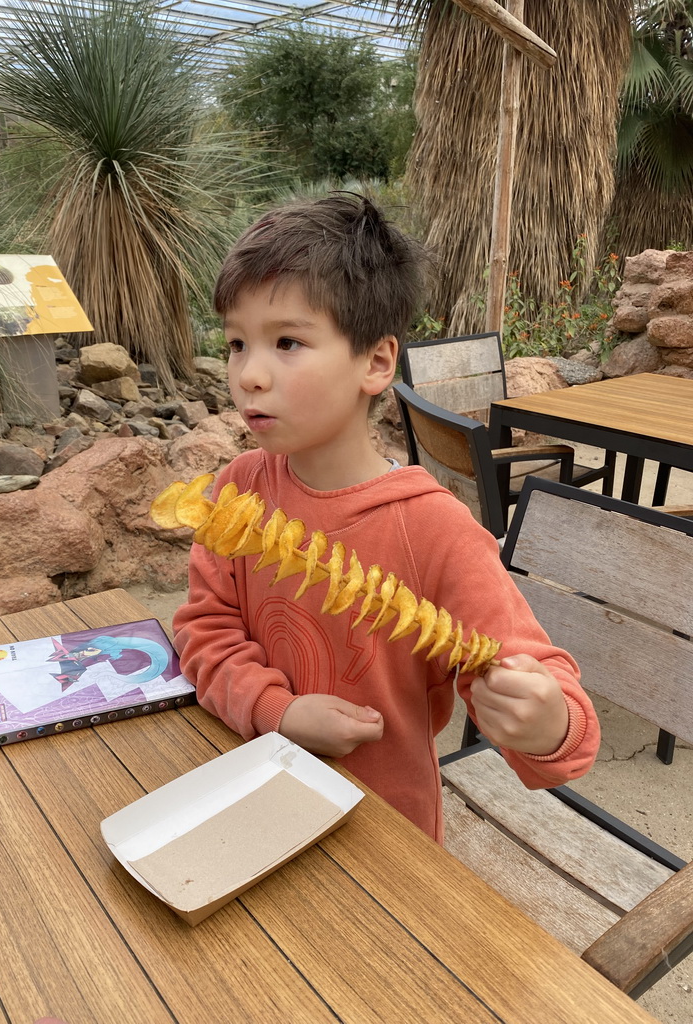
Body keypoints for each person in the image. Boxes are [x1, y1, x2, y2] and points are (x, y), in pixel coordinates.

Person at [172, 192, 599, 842]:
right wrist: (277, 710)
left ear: (375, 363)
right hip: (257, 787)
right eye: (236, 344)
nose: (249, 375)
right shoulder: (237, 493)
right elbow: (206, 633)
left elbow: (540, 683)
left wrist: (548, 722)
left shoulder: (434, 530)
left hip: (384, 831)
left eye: (287, 342)